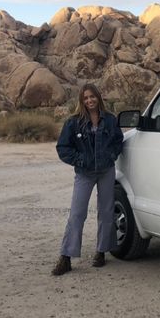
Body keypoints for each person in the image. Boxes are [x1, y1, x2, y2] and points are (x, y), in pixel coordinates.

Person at [52, 85, 124, 276]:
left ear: (98, 98)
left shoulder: (109, 120)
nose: (90, 100)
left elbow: (118, 141)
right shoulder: (73, 123)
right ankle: (66, 257)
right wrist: (80, 160)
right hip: (84, 173)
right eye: (86, 98)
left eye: (92, 97)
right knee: (77, 213)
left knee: (106, 212)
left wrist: (111, 156)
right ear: (81, 101)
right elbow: (63, 148)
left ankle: (101, 252)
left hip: (106, 171)